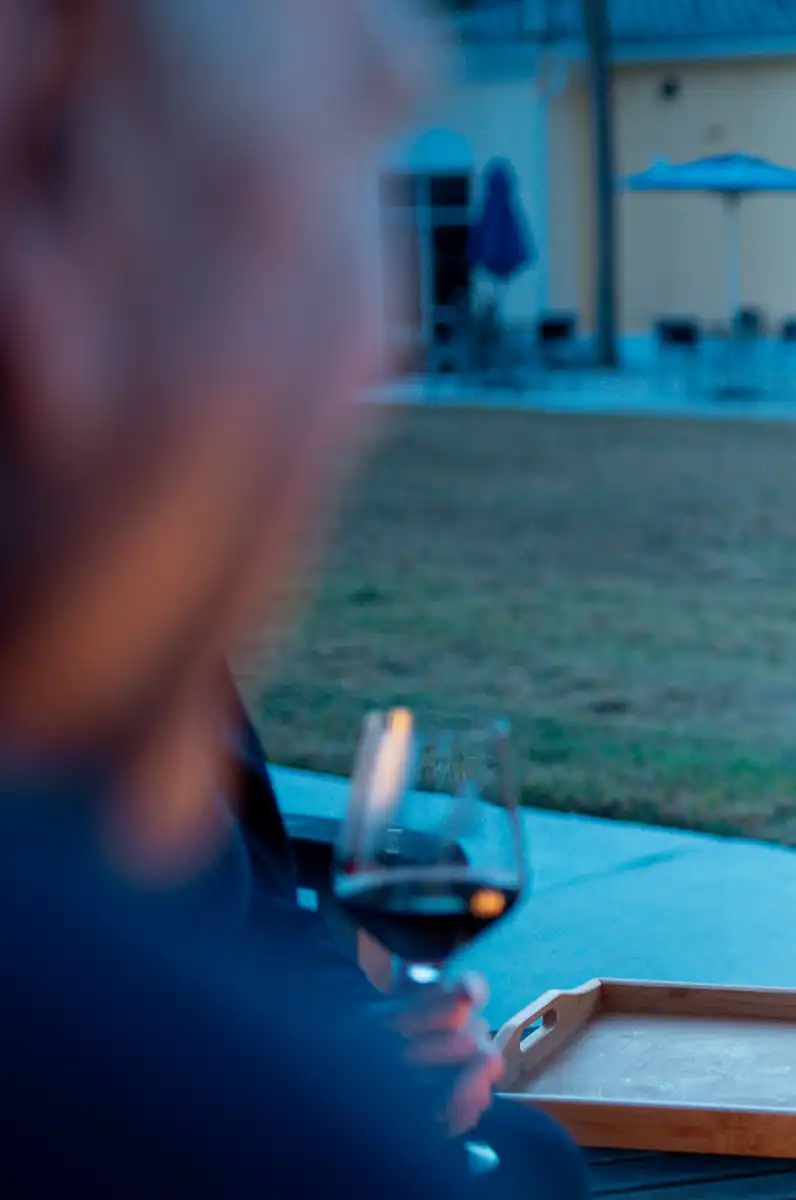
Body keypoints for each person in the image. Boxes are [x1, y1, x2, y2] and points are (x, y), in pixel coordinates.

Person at [0, 0, 541, 1193]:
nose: (379, 351)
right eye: (327, 202)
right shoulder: (220, 1129)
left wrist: (359, 1045)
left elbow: (254, 902)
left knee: (531, 1145)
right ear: (43, 292)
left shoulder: (149, 698)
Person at [213, 669, 592, 1196]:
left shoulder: (177, 664)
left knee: (534, 1152)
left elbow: (258, 905)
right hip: (177, 1079)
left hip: (261, 1026)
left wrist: (370, 1027)